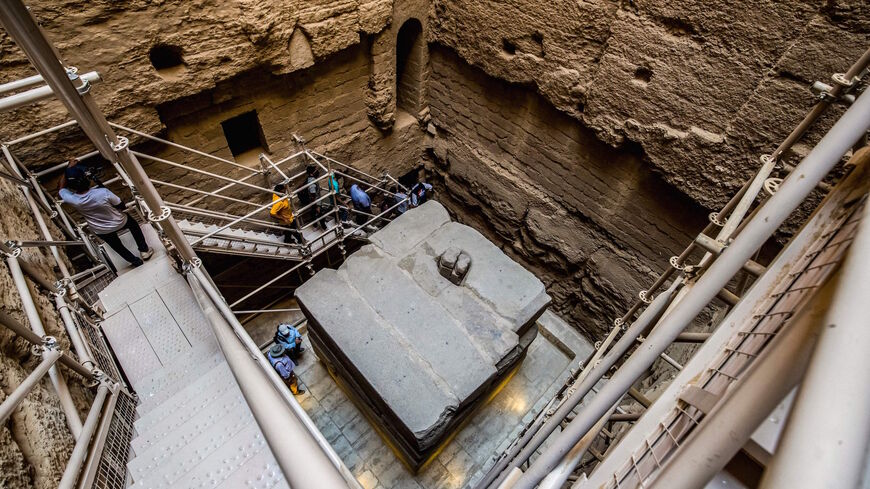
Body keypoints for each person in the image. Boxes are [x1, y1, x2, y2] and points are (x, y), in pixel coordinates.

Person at [59, 160, 153, 267]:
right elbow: (121, 205)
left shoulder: (71, 199)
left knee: (117, 246)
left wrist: (68, 170)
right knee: (133, 225)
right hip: (119, 221)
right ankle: (144, 251)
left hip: (101, 229)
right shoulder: (102, 192)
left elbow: (61, 188)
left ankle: (134, 261)